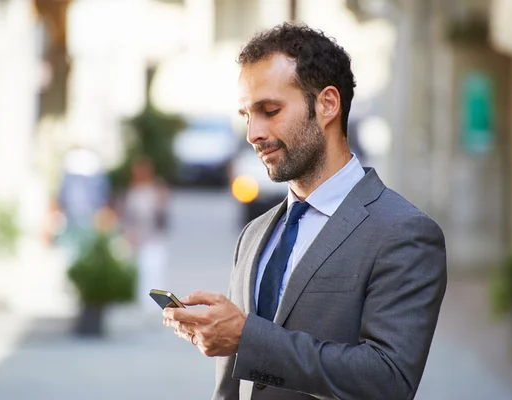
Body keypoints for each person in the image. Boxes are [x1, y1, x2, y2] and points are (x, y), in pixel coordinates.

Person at [162, 22, 447, 400]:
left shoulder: (405, 232)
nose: (253, 133)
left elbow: (389, 381)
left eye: (269, 110)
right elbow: (231, 386)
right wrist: (233, 333)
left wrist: (247, 336)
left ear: (328, 104)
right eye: (247, 115)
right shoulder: (254, 234)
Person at [120, 157, 170, 313]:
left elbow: (162, 217)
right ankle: (143, 307)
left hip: (153, 239)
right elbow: (127, 218)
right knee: (141, 275)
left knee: (154, 272)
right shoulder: (132, 193)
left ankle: (155, 308)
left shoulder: (155, 192)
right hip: (138, 239)